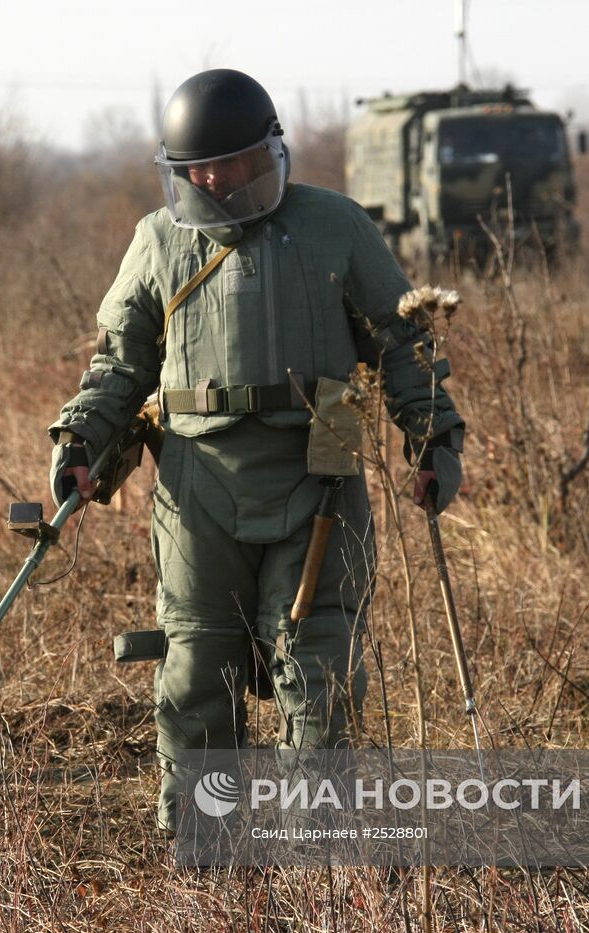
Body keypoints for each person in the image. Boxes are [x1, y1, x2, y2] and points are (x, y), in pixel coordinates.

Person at [47, 69, 466, 833]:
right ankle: (209, 854)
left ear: (268, 153)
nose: (213, 177)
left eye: (230, 161)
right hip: (196, 491)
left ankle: (317, 857)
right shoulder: (158, 242)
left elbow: (403, 340)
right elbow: (119, 361)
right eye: (196, 168)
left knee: (317, 670)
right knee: (196, 673)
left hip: (318, 483)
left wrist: (434, 438)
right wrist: (81, 440)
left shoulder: (335, 226)